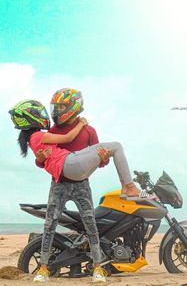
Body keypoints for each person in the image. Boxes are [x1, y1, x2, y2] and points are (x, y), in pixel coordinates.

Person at [9, 89, 148, 283]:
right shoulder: (52, 132)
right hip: (59, 182)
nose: (57, 110)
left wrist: (102, 157)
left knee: (91, 226)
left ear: (72, 107)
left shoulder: (89, 131)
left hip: (82, 182)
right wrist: (39, 159)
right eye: (56, 107)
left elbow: (101, 163)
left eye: (61, 106)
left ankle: (98, 268)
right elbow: (44, 159)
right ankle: (43, 268)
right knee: (50, 226)